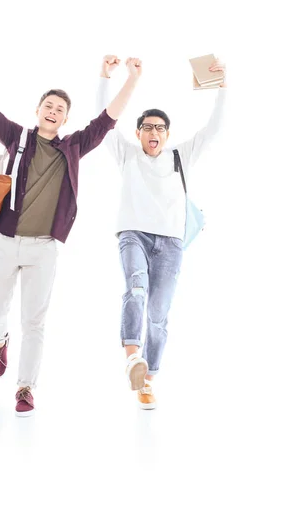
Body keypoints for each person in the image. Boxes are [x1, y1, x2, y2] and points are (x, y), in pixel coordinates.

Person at [0, 44, 142, 416]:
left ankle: (24, 388)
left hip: (44, 248)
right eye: (48, 106)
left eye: (60, 109)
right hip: (4, 241)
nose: (53, 112)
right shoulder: (17, 137)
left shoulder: (74, 146)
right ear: (38, 111)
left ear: (65, 119)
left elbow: (108, 119)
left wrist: (131, 78)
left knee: (34, 321)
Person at [96, 54, 227, 409]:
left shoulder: (180, 156)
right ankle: (132, 357)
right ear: (137, 133)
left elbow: (214, 128)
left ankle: (147, 379)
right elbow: (103, 121)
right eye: (147, 127)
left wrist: (222, 87)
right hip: (133, 235)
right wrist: (105, 77)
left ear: (167, 134)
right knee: (135, 286)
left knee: (158, 313)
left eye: (159, 128)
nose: (153, 133)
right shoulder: (126, 155)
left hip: (170, 243)